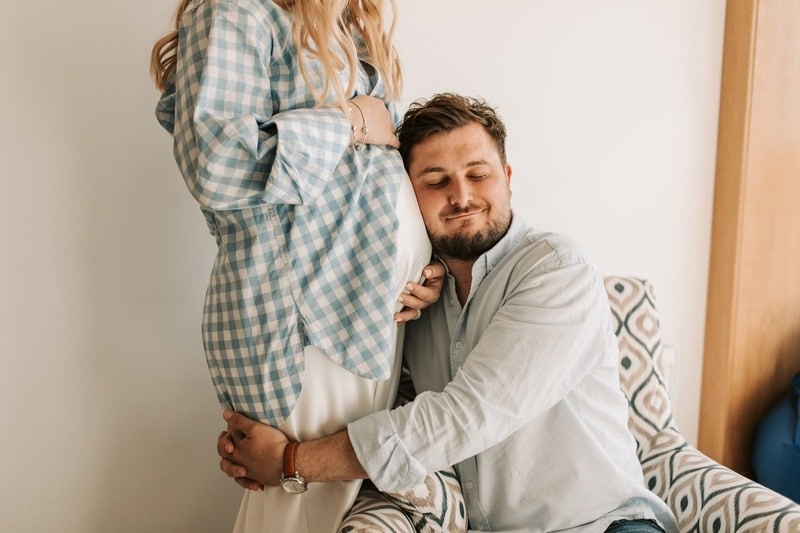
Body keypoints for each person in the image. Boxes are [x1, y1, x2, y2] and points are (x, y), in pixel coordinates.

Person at [217, 93, 681, 533]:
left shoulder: (557, 270)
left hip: (604, 524)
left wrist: (288, 462)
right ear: (408, 196)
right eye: (436, 181)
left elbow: (464, 416)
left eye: (478, 174)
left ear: (508, 178)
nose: (461, 195)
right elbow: (377, 400)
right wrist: (259, 436)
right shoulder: (417, 297)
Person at [150, 1, 464, 532]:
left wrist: (423, 266)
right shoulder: (236, 10)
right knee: (299, 501)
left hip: (362, 311)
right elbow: (216, 162)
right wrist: (352, 119)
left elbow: (364, 177)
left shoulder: (348, 24)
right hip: (298, 315)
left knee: (332, 499)